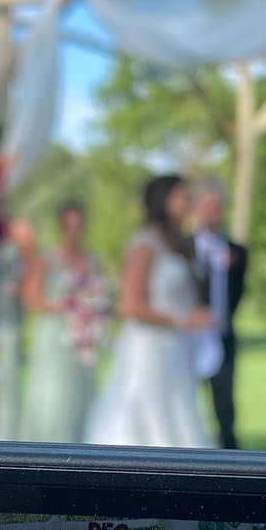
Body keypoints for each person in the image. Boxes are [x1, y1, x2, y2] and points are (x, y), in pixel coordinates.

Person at [83, 174, 216, 449]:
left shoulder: (179, 243)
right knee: (143, 410)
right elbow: (130, 305)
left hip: (176, 348)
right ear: (163, 200)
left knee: (177, 411)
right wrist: (183, 320)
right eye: (183, 196)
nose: (189, 201)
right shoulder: (145, 243)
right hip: (148, 347)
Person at [20, 202, 107, 443]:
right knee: (55, 395)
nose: (75, 232)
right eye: (70, 226)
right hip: (55, 336)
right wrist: (64, 306)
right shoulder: (48, 259)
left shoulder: (93, 260)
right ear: (62, 227)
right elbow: (31, 297)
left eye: (79, 226)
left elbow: (99, 293)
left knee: (82, 390)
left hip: (83, 336)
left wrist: (93, 309)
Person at [192, 181, 248, 451]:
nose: (213, 212)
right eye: (208, 206)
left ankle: (230, 454)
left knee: (225, 402)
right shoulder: (184, 247)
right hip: (189, 337)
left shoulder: (237, 251)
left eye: (218, 206)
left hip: (223, 334)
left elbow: (238, 292)